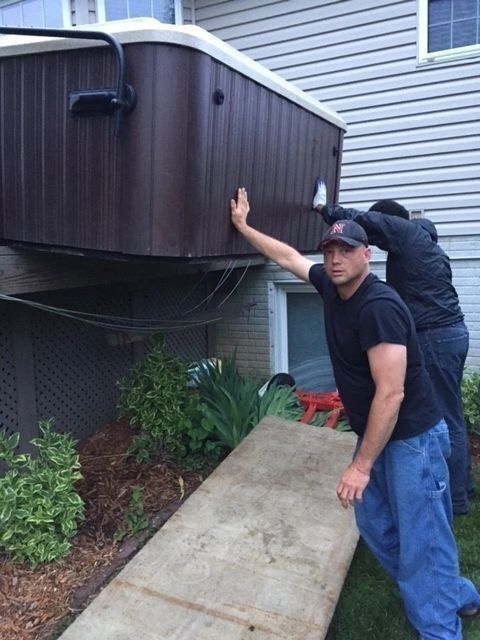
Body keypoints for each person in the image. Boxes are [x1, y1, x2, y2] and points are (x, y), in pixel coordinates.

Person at [230, 186, 480, 640]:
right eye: (329, 249)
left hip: (412, 440)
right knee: (377, 522)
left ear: (367, 254)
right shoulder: (331, 286)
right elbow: (288, 258)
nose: (336, 257)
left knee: (423, 538)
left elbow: (391, 393)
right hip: (379, 437)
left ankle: (440, 628)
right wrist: (245, 227)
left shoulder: (379, 307)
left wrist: (360, 466)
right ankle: (453, 593)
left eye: (346, 249)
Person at [316, 196, 472, 516]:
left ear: (390, 224)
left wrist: (323, 210)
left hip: (433, 337)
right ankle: (464, 485)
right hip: (453, 333)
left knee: (443, 416)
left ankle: (455, 499)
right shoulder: (428, 247)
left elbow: (363, 221)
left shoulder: (405, 232)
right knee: (452, 414)